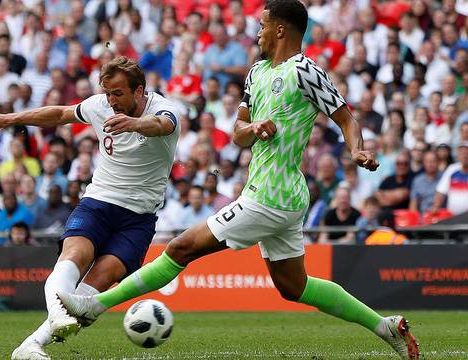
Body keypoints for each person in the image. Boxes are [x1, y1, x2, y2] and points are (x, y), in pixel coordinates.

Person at [57, 3, 419, 359]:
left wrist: (356, 150)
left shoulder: (306, 71)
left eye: (262, 25)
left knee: (181, 248)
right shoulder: (256, 72)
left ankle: (93, 305)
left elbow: (346, 119)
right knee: (293, 286)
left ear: (280, 29)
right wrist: (254, 128)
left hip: (272, 195)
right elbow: (237, 134)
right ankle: (386, 326)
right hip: (274, 194)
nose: (257, 31)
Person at [0, 56, 180, 360]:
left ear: (139, 91)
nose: (111, 101)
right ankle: (48, 326)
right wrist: (7, 119)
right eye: (108, 93)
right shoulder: (100, 105)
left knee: (96, 286)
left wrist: (134, 123)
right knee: (74, 255)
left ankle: (29, 346)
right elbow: (60, 113)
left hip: (139, 217)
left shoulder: (163, 109)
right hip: (98, 202)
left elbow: (162, 125)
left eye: (118, 94)